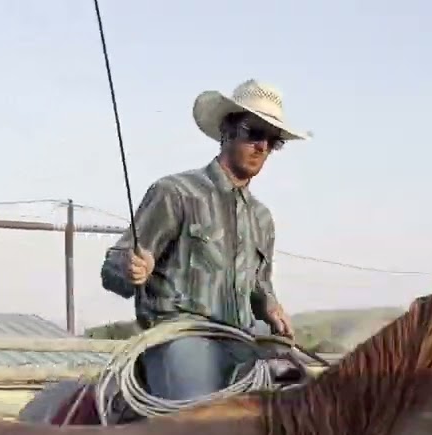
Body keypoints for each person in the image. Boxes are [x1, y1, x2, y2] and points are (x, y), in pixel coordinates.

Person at [100, 79, 307, 402]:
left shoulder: (262, 219)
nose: (262, 147)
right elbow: (115, 269)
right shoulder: (176, 193)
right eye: (254, 132)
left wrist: (269, 304)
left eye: (273, 140)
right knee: (202, 422)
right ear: (227, 130)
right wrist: (129, 268)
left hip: (245, 340)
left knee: (309, 405)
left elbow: (259, 285)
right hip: (182, 337)